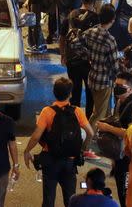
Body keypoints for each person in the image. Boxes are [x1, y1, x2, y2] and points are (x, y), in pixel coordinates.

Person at [23, 77, 94, 207]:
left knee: (49, 198)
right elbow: (90, 133)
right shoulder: (77, 111)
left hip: (51, 159)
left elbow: (36, 136)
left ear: (54, 92)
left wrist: (27, 151)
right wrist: (82, 148)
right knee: (70, 199)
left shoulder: (47, 111)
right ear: (70, 94)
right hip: (70, 161)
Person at [94, 72, 132, 207]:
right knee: (122, 190)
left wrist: (107, 128)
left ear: (131, 89)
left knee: (126, 192)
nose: (117, 88)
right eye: (116, 85)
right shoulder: (120, 100)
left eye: (121, 86)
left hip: (130, 157)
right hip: (120, 155)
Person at [83, 5, 121, 132]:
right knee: (98, 115)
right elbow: (115, 66)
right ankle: (85, 144)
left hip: (92, 76)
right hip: (104, 81)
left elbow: (75, 43)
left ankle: (101, 137)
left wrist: (87, 56)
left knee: (100, 110)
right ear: (112, 20)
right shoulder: (110, 40)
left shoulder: (90, 32)